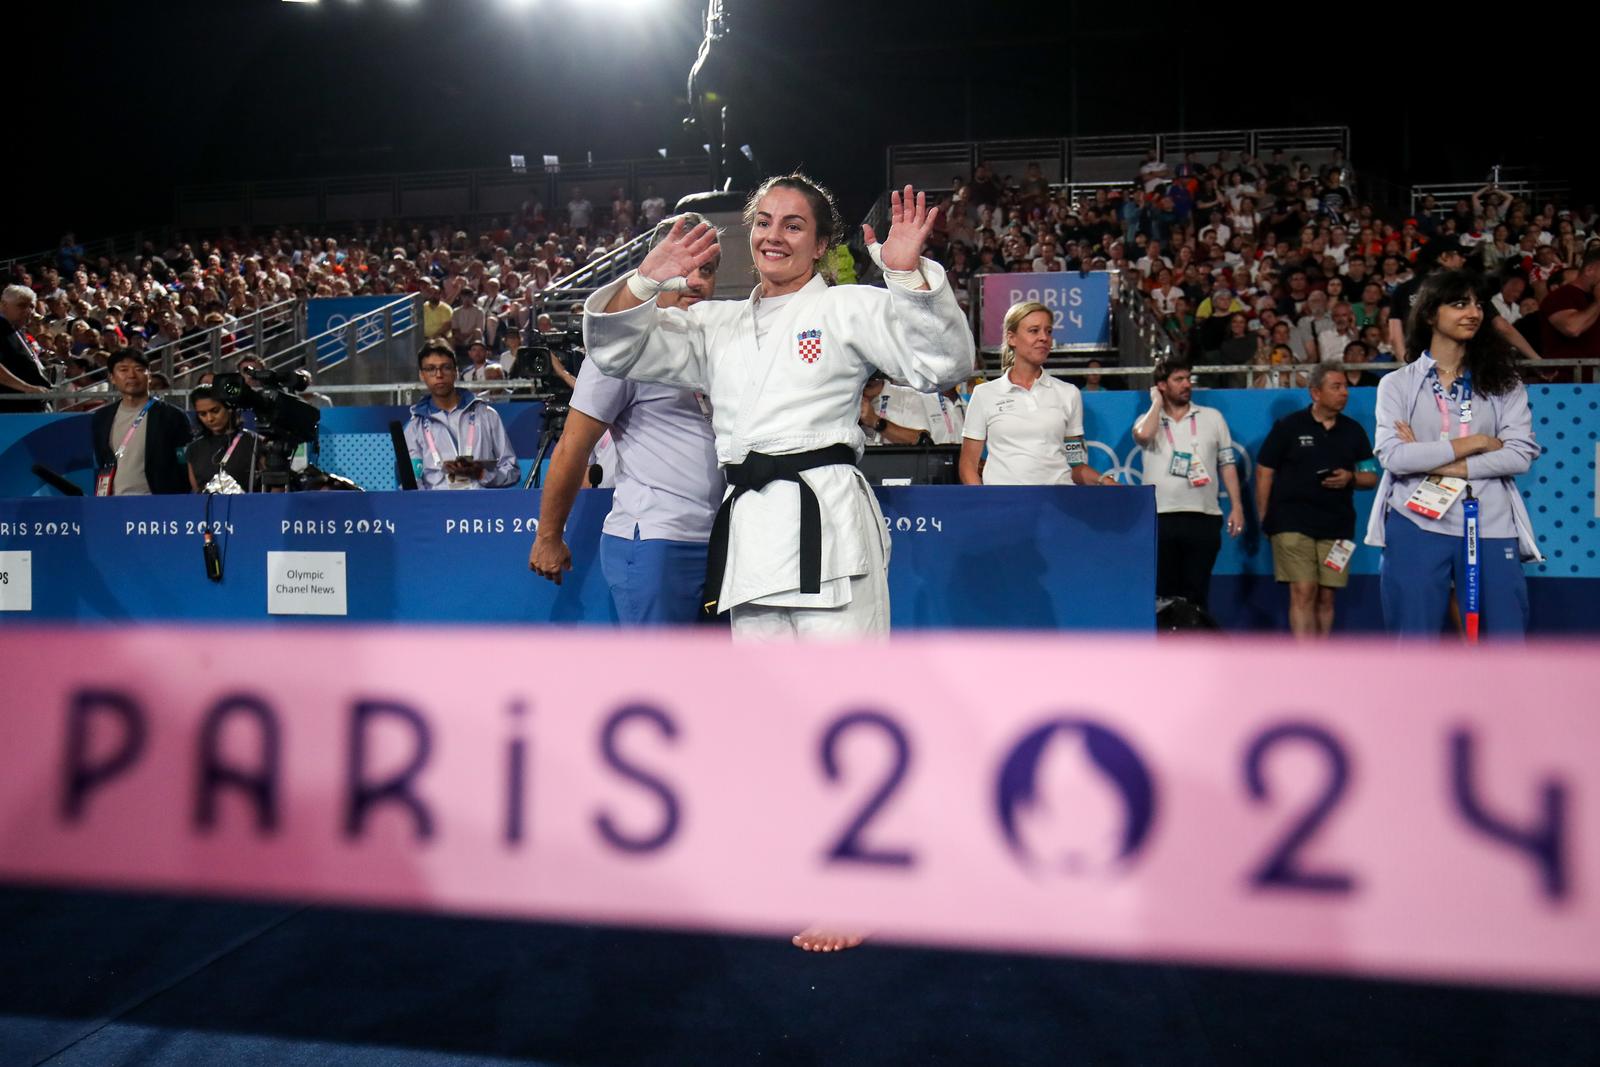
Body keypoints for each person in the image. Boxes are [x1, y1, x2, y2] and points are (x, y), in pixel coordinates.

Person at [582, 175, 969, 648]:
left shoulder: (844, 307)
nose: (773, 237)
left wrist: (907, 276)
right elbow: (615, 353)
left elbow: (942, 364)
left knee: (843, 694)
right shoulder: (714, 324)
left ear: (821, 243)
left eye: (793, 226)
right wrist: (643, 281)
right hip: (751, 536)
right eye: (764, 223)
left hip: (828, 529)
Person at [529, 214, 724, 625]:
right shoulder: (621, 349)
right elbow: (573, 446)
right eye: (682, 265)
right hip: (656, 540)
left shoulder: (718, 342)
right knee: (662, 681)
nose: (695, 281)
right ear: (656, 267)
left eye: (706, 269)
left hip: (722, 541)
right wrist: (549, 535)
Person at [1366, 270, 1541, 637]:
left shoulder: (1504, 381)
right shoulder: (1397, 384)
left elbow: (1520, 455)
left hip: (1489, 521)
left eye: (1478, 304)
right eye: (1460, 304)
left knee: (1504, 641)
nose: (1473, 312)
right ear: (1431, 314)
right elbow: (1395, 458)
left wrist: (1440, 462)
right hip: (1416, 519)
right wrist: (1475, 442)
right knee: (1412, 642)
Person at [1255, 364, 1378, 637]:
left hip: (1337, 525)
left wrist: (1351, 478)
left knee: (1326, 596)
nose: (1344, 393)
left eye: (1345, 386)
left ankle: (1321, 665)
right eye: (1336, 387)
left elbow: (1371, 477)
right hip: (1291, 521)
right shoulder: (1289, 426)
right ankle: (1305, 666)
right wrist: (1265, 516)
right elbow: (1264, 470)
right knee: (1303, 590)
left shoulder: (1354, 431)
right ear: (1315, 393)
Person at [959, 301, 1117, 486]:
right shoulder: (984, 394)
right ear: (1012, 338)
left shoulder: (1069, 393)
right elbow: (968, 465)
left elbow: (1075, 465)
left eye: (1048, 331)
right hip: (1006, 507)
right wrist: (987, 505)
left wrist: (1103, 480)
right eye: (1034, 330)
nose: (1044, 338)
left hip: (1059, 505)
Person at [1132, 358, 1245, 611]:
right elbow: (1143, 436)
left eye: (1188, 379)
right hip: (1161, 516)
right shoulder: (1147, 419)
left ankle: (1196, 646)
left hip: (1203, 516)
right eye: (1178, 380)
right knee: (1163, 594)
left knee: (1196, 592)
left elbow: (1226, 464)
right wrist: (1157, 404)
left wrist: (1236, 506)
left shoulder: (1212, 417)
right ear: (1161, 385)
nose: (1186, 385)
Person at [403, 339, 520, 490]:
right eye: (431, 369)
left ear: (456, 372)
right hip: (437, 509)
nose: (439, 374)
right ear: (422, 375)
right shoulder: (414, 427)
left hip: (481, 509)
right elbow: (411, 484)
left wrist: (482, 474)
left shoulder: (486, 415)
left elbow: (512, 471)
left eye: (445, 367)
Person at [89, 348, 193, 495]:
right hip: (113, 503)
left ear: (149, 375)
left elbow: (185, 464)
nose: (131, 375)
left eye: (139, 369)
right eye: (123, 370)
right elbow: (102, 460)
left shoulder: (172, 416)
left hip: (158, 505)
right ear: (112, 377)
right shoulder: (102, 417)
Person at [188, 384, 260, 493]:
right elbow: (196, 490)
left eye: (215, 411)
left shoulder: (253, 441)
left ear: (229, 408)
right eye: (202, 414)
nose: (210, 418)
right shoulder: (194, 449)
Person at [0, 285, 52, 411]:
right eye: (22, 305)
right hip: (11, 409)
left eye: (32, 306)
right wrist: (26, 387)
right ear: (3, 305)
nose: (28, 311)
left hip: (30, 406)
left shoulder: (16, 330)